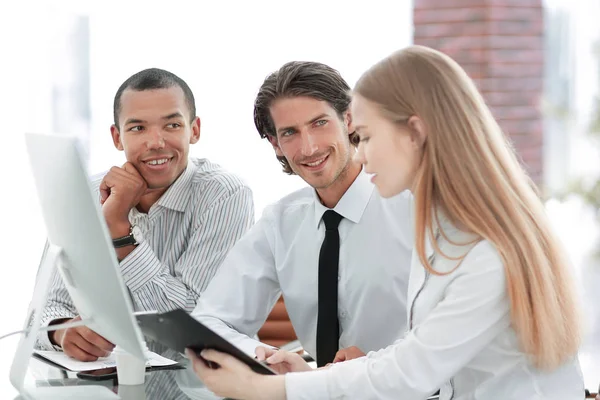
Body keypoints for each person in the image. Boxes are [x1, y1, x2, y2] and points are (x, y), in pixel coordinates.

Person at [186, 45, 585, 399]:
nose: (363, 156)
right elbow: (421, 357)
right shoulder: (449, 226)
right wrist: (308, 377)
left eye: (367, 137)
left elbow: (413, 371)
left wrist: (273, 389)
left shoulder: (483, 248)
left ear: (413, 133)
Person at [190, 61, 414, 367]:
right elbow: (211, 321)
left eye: (319, 123)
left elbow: (453, 328)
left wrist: (380, 365)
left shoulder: (413, 205)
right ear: (275, 144)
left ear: (349, 119)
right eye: (290, 133)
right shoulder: (280, 223)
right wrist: (265, 358)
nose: (308, 148)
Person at [36, 68, 255, 362]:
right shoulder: (85, 193)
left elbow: (196, 327)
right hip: (117, 383)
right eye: (138, 128)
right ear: (117, 137)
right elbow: (44, 310)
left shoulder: (225, 194)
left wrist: (118, 231)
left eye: (172, 125)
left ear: (194, 130)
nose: (156, 142)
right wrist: (61, 332)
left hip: (205, 384)